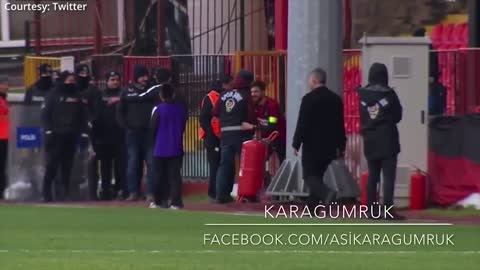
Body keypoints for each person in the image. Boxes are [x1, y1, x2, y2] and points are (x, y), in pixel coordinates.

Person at [292, 68, 346, 210]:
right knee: (317, 176)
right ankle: (311, 208)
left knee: (309, 176)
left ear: (314, 80)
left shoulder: (308, 99)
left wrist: (296, 143)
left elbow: (302, 123)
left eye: (309, 80)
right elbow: (340, 124)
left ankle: (327, 194)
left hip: (312, 145)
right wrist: (342, 146)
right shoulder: (336, 99)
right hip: (330, 146)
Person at [358, 63, 404, 220]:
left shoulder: (362, 95)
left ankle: (371, 209)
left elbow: (363, 117)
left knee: (373, 176)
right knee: (388, 177)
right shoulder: (390, 94)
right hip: (388, 140)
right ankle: (388, 209)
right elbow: (398, 116)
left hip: (370, 140)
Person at [42, 71, 89, 202]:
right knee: (52, 165)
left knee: (67, 166)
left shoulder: (77, 96)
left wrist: (83, 132)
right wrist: (48, 131)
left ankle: (65, 193)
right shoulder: (53, 95)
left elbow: (83, 116)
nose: (71, 83)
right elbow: (46, 114)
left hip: (71, 135)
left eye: (73, 80)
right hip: (56, 136)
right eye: (69, 80)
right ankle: (46, 193)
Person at [213, 70, 256, 203]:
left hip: (226, 134)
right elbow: (250, 115)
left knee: (225, 165)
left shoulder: (223, 94)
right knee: (246, 166)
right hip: (241, 134)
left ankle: (221, 195)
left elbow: (215, 112)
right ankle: (247, 194)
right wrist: (253, 125)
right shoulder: (245, 95)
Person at [117, 65, 155, 202]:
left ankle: (151, 192)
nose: (145, 78)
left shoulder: (152, 90)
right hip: (132, 133)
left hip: (149, 133)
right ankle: (133, 192)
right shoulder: (127, 91)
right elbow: (120, 111)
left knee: (151, 162)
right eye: (142, 76)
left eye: (146, 75)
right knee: (133, 162)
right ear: (136, 77)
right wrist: (126, 127)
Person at [150, 84, 187, 209]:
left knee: (159, 175)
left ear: (161, 95)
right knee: (175, 176)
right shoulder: (181, 109)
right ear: (173, 94)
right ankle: (176, 202)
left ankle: (159, 201)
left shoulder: (158, 108)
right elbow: (182, 126)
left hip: (160, 147)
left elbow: (153, 127)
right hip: (176, 146)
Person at [91, 71, 127, 200]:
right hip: (104, 136)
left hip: (120, 136)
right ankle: (105, 190)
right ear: (107, 81)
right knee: (105, 166)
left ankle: (119, 189)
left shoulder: (124, 94)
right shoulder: (99, 95)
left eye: (117, 79)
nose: (115, 82)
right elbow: (96, 115)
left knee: (120, 165)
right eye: (112, 79)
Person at [199, 75, 234, 201]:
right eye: (231, 84)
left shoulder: (226, 97)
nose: (232, 87)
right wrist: (210, 134)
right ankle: (213, 194)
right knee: (215, 166)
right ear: (224, 85)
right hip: (213, 137)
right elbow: (203, 118)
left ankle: (223, 193)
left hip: (223, 135)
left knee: (225, 165)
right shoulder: (211, 97)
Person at [251, 80, 286, 162]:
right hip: (265, 137)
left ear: (263, 92)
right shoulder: (253, 106)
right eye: (251, 92)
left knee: (282, 159)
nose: (253, 94)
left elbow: (272, 123)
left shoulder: (271, 105)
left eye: (256, 91)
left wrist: (259, 131)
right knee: (260, 160)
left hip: (278, 136)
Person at [0, 76, 9, 200]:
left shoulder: (3, 99)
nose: (7, 86)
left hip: (4, 136)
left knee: (2, 165)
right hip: (1, 136)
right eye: (5, 84)